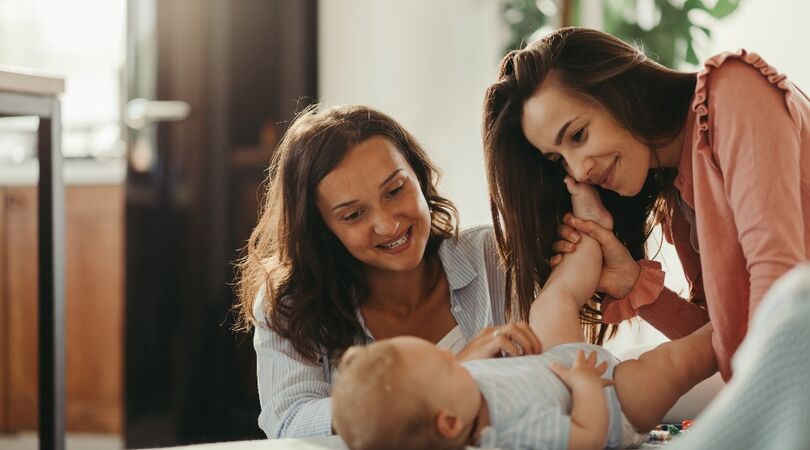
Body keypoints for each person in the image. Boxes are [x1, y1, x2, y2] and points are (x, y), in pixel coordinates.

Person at [482, 26, 810, 379]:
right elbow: (725, 343)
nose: (578, 170)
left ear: (619, 91)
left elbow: (779, 280)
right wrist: (630, 280)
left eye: (578, 135)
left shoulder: (733, 91)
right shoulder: (678, 197)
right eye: (558, 160)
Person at [331, 178, 717, 450]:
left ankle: (592, 231)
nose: (459, 363)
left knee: (552, 302)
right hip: (611, 399)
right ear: (449, 423)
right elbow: (585, 437)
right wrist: (584, 385)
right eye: (449, 368)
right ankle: (733, 328)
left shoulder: (455, 395)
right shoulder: (508, 433)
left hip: (557, 361)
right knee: (675, 362)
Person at [234, 104, 542, 438]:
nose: (388, 224)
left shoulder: (493, 255)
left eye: (395, 190)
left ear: (418, 176)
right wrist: (453, 373)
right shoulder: (291, 304)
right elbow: (290, 424)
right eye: (353, 215)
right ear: (323, 228)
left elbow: (556, 377)